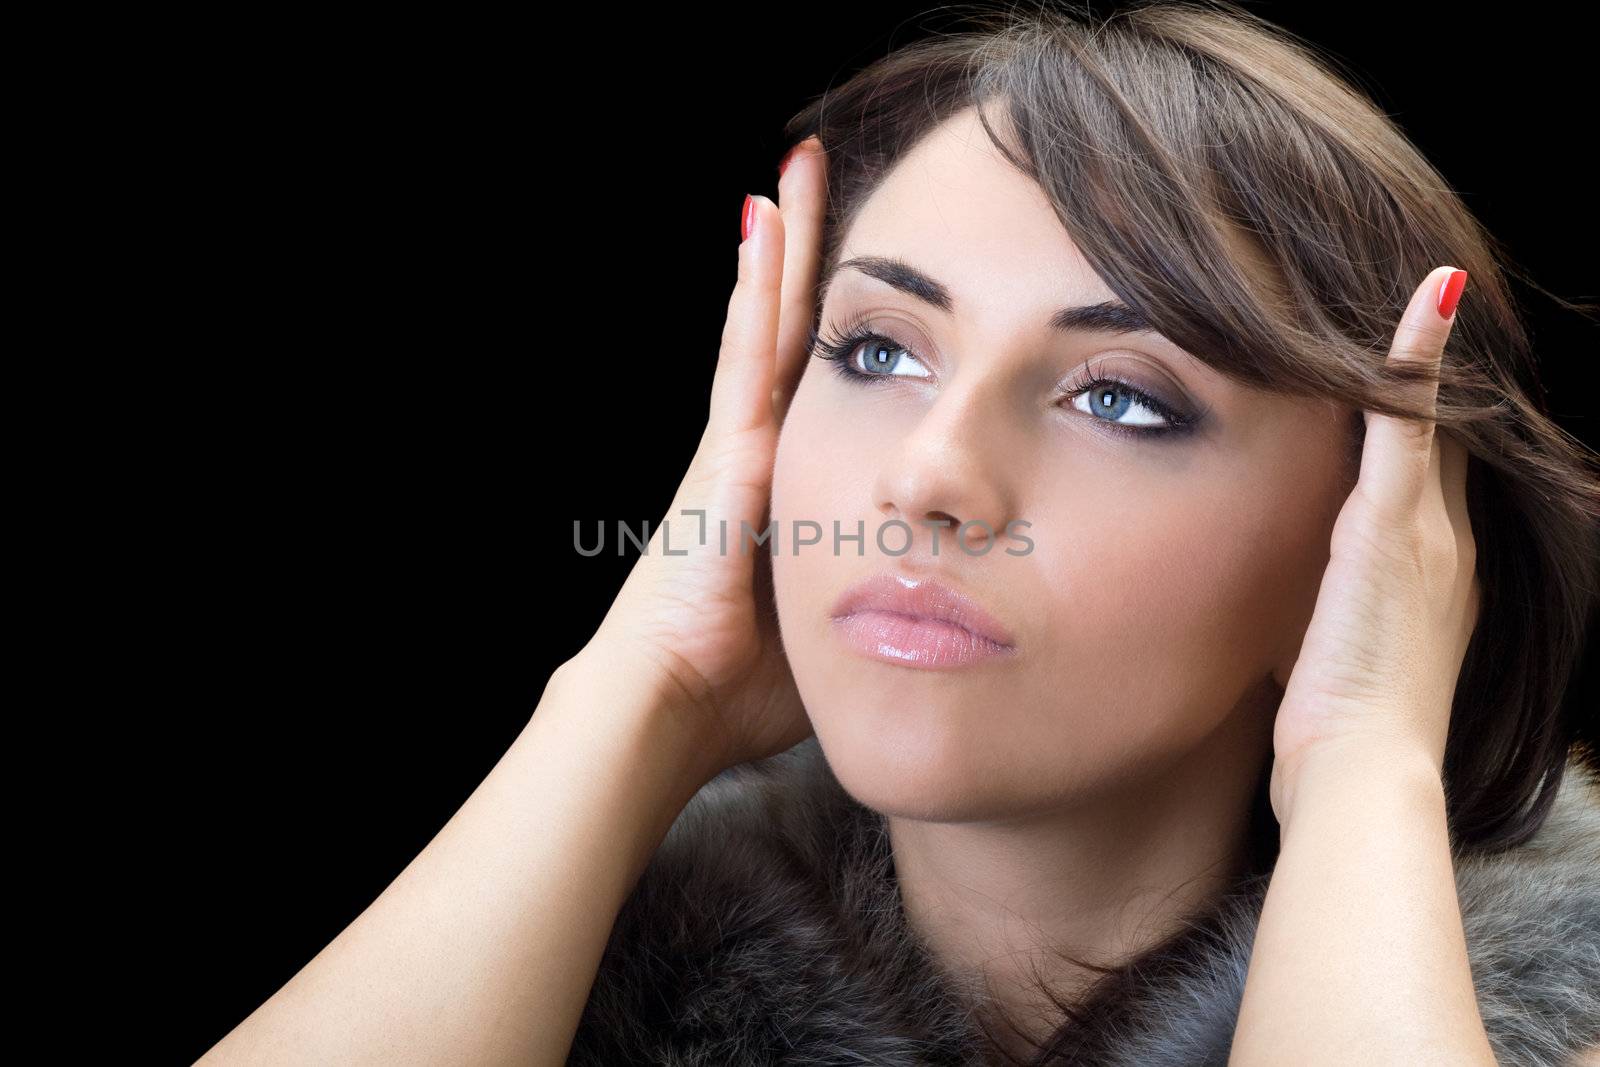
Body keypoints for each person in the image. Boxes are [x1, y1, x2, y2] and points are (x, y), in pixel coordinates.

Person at [197, 2, 1600, 1064]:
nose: (930, 476)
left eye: (1120, 396)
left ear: (1372, 534)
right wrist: (639, 691)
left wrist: (1366, 764)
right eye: (875, 351)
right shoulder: (539, 966)